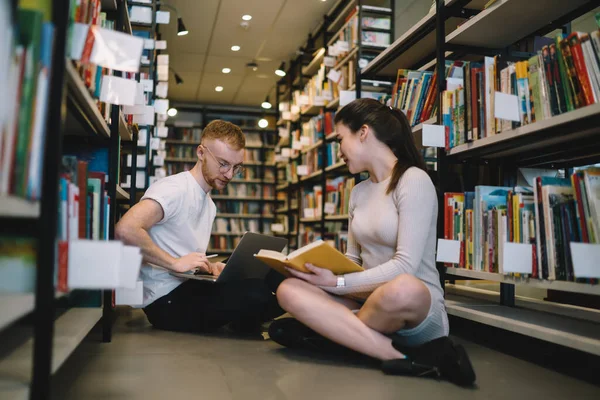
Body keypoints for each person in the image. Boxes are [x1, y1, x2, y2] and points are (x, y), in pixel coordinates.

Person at [269, 99, 475, 386]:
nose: (338, 151)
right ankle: (400, 357)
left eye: (341, 139)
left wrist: (336, 285)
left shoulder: (413, 180)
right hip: (366, 301)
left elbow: (405, 267)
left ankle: (334, 334)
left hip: (413, 307)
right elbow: (353, 260)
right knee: (289, 289)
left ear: (363, 132)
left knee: (402, 288)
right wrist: (316, 270)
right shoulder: (359, 191)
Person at [116, 120, 284, 334]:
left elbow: (187, 255)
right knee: (256, 292)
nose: (229, 174)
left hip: (190, 285)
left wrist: (211, 269)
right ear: (201, 153)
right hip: (165, 301)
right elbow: (125, 230)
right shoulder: (174, 189)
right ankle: (243, 318)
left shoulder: (208, 204)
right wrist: (174, 263)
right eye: (223, 163)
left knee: (273, 267)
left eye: (236, 167)